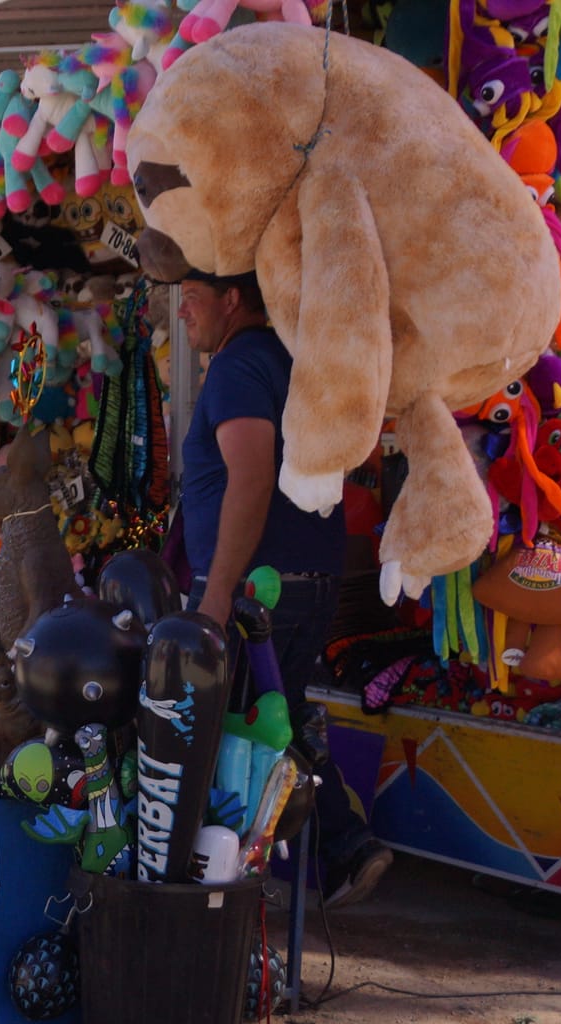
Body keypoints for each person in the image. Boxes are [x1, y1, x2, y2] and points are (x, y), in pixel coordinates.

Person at [174, 270, 393, 908]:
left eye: (192, 297)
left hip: (253, 591)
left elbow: (250, 479)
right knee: (280, 723)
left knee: (223, 739)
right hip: (306, 581)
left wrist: (216, 596)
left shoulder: (240, 365)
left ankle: (228, 899)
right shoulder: (287, 359)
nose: (183, 313)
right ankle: (344, 846)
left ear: (232, 299)